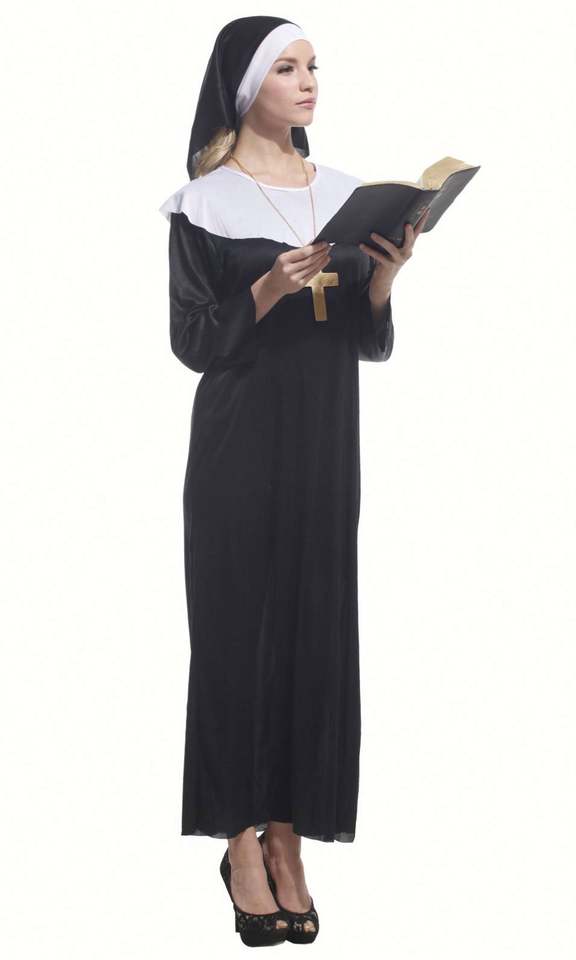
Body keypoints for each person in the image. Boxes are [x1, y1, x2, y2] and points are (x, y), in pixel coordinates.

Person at [159, 15, 429, 948]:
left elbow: (362, 339)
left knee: (315, 631)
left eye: (314, 65)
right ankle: (239, 842)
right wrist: (269, 286)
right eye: (287, 67)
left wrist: (382, 281)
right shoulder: (204, 204)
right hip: (238, 446)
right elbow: (192, 341)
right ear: (245, 88)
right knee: (237, 635)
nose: (309, 81)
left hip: (324, 445)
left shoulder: (346, 195)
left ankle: (289, 838)